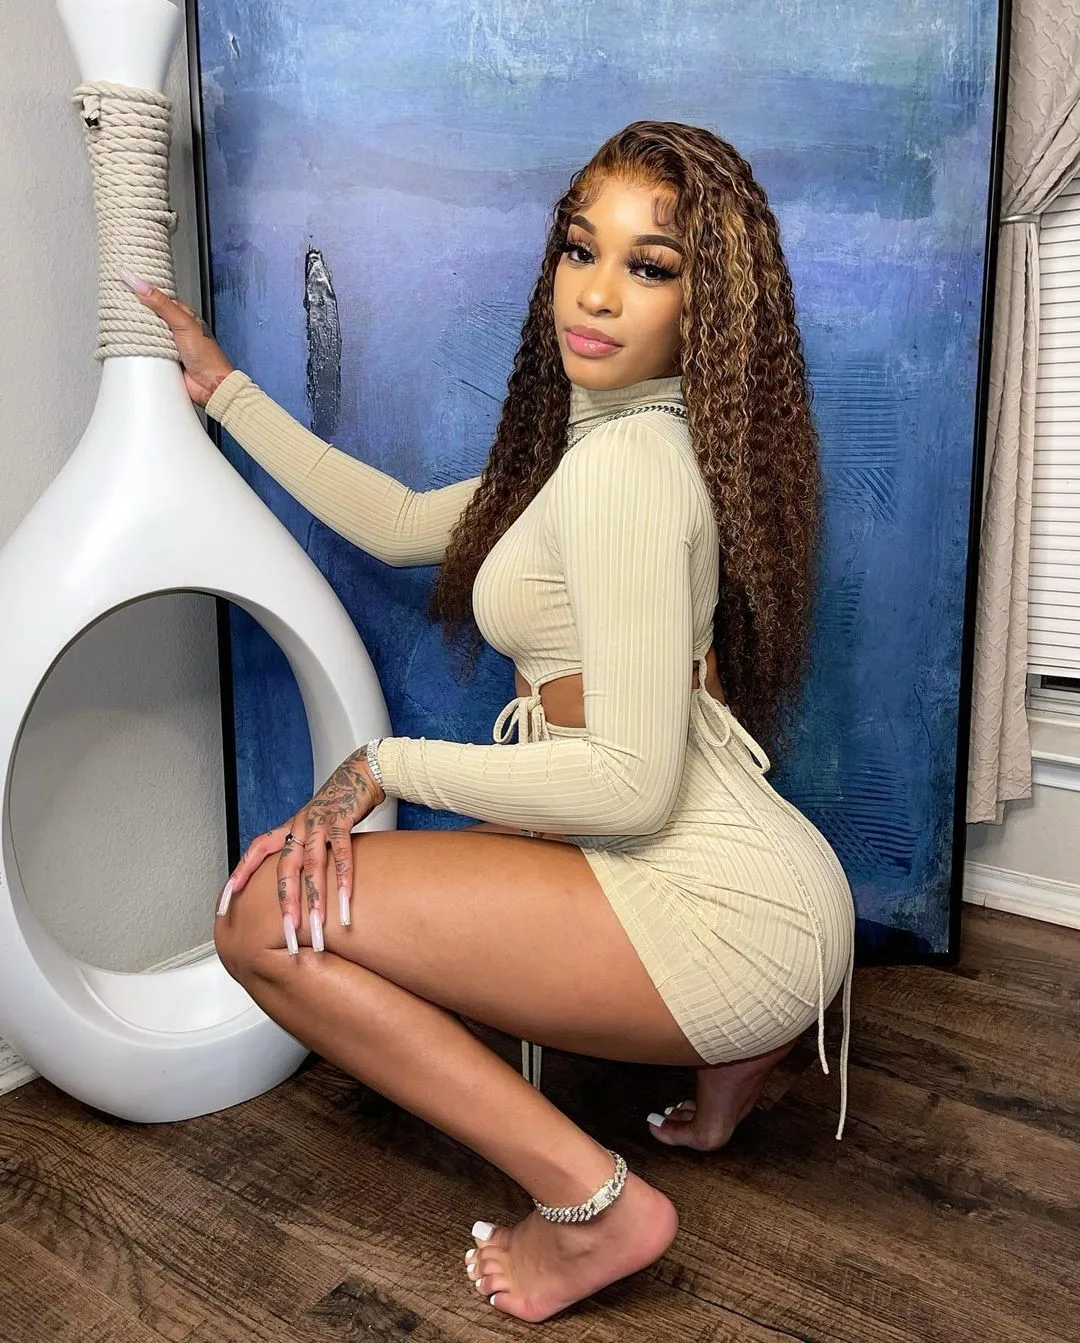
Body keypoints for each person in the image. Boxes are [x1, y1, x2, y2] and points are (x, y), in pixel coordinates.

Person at [123, 119, 856, 1326]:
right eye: (580, 249)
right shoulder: (607, 448)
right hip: (775, 884)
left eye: (650, 266)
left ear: (707, 305)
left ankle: (591, 1201)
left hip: (719, 908)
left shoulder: (626, 470)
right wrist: (226, 389)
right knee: (469, 869)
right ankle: (731, 1076)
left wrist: (379, 765)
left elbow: (629, 788)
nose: (597, 293)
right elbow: (405, 519)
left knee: (261, 921)